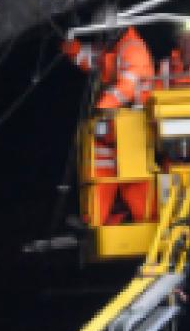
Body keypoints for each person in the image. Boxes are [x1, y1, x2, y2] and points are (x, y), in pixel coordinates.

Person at [63, 24, 156, 226]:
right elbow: (93, 58)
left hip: (133, 124)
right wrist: (74, 50)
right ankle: (95, 218)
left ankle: (147, 220)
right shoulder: (114, 47)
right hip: (118, 123)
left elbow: (128, 87)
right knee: (102, 167)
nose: (101, 39)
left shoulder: (133, 49)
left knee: (135, 177)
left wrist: (104, 105)